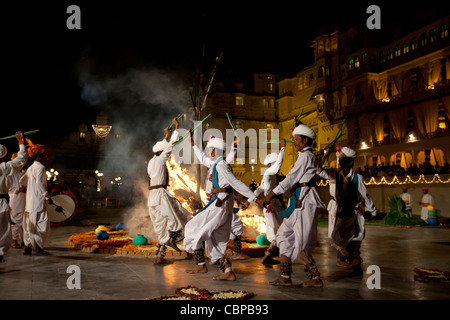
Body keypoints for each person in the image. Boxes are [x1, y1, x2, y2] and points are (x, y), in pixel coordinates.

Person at [258, 124, 326, 288]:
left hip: (305, 202)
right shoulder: (305, 156)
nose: (294, 143)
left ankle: (315, 278)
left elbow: (291, 178)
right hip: (297, 201)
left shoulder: (306, 157)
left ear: (305, 140)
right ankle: (285, 277)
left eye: (296, 140)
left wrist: (270, 194)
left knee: (301, 243)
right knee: (282, 236)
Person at [184, 135, 257, 281]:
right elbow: (202, 158)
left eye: (210, 149)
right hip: (218, 204)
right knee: (215, 239)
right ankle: (227, 271)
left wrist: (251, 198)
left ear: (214, 151)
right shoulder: (215, 163)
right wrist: (193, 144)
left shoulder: (221, 165)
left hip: (220, 206)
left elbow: (235, 183)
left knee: (194, 228)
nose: (208, 152)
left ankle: (201, 264)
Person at [317, 146, 377, 268]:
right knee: (334, 236)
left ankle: (352, 258)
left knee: (353, 235)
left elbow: (365, 195)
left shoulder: (357, 177)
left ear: (350, 162)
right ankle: (347, 257)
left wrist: (372, 211)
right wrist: (324, 155)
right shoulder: (335, 174)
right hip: (336, 208)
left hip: (351, 209)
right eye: (339, 160)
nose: (340, 162)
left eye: (343, 160)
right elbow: (319, 170)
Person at [147, 118, 191, 264]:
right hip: (160, 195)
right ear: (160, 152)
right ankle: (173, 239)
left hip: (152, 197)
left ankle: (159, 256)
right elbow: (171, 146)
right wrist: (177, 128)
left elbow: (164, 146)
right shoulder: (160, 160)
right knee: (179, 214)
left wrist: (166, 135)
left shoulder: (151, 162)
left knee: (161, 226)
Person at [254, 139, 286, 264]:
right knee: (277, 231)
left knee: (280, 229)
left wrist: (251, 199)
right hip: (272, 205)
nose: (279, 166)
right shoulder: (270, 172)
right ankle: (267, 256)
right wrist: (283, 148)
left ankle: (271, 256)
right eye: (276, 163)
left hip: (274, 205)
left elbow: (260, 188)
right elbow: (261, 188)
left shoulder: (269, 174)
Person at [0, 132, 28, 262]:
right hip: (1, 203)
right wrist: (21, 141)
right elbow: (22, 157)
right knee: (3, 232)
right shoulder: (4, 168)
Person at [21, 140, 51, 256]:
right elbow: (39, 183)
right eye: (44, 154)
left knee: (29, 224)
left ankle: (27, 247)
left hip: (30, 202)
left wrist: (25, 188)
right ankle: (37, 248)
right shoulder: (40, 167)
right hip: (38, 201)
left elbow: (22, 181)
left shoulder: (30, 168)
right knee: (41, 225)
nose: (46, 156)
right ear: (39, 156)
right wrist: (46, 196)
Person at [7, 153, 28, 248]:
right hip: (15, 198)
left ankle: (25, 240)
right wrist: (18, 189)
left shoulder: (24, 172)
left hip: (25, 198)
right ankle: (14, 240)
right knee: (16, 219)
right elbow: (7, 187)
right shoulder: (9, 173)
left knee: (25, 219)